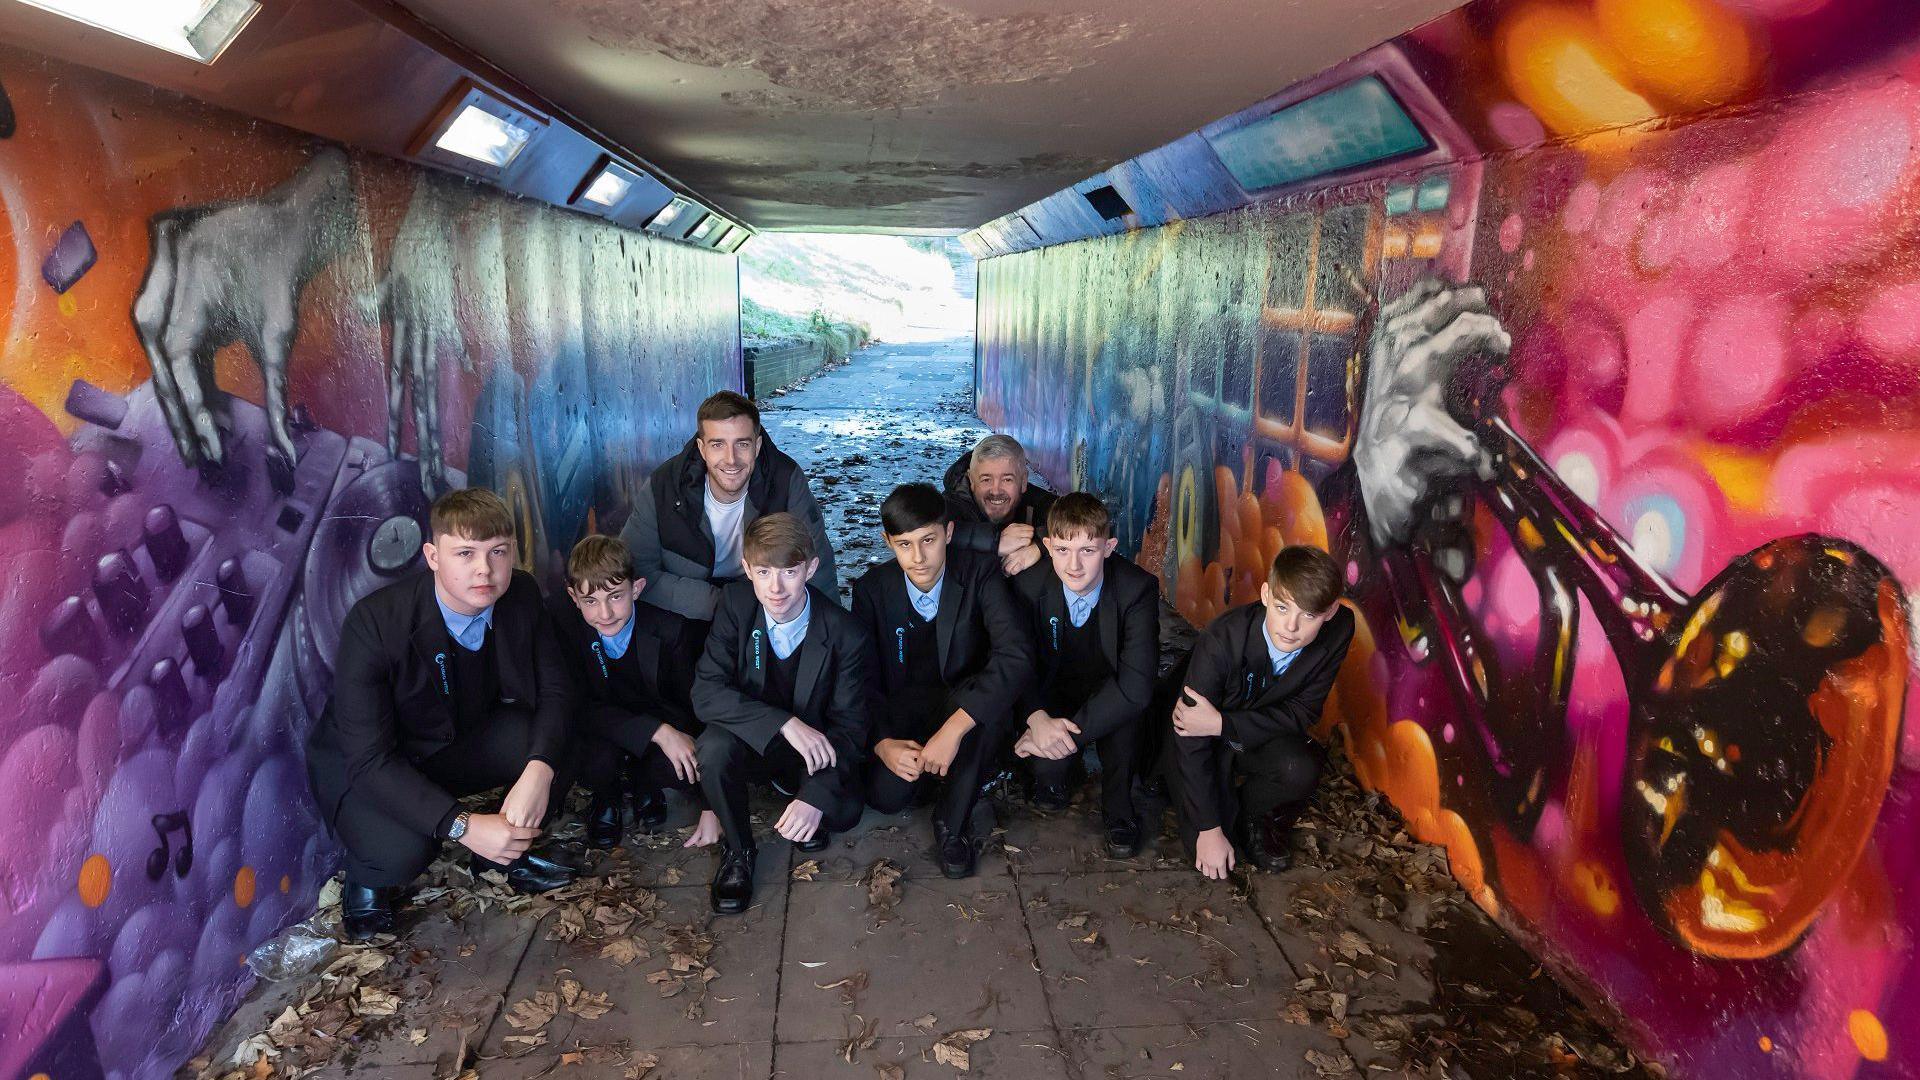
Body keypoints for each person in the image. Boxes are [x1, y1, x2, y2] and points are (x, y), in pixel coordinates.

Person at [306, 488, 577, 941]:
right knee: (404, 853)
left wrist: (539, 770)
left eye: (498, 552)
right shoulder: (374, 623)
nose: (484, 570)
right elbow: (369, 761)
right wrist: (463, 825)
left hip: (452, 740)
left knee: (555, 744)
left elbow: (557, 690)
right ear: (433, 556)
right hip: (373, 765)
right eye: (465, 553)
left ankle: (500, 854)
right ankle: (366, 878)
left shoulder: (521, 594)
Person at [691, 513, 871, 914]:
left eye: (789, 571)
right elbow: (706, 693)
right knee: (713, 748)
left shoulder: (845, 632)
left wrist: (814, 797)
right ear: (747, 569)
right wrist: (783, 723)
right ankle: (738, 852)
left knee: (843, 811)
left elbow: (851, 728)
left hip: (813, 753)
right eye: (763, 572)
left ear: (811, 568)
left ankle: (798, 799)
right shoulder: (737, 605)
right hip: (753, 743)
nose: (775, 588)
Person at [850, 484, 1033, 878]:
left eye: (929, 540)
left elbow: (1015, 656)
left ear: (949, 532)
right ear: (887, 542)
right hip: (906, 716)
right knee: (887, 796)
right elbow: (862, 679)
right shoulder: (871, 590)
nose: (918, 558)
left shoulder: (980, 573)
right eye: (904, 544)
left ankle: (952, 823)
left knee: (988, 710)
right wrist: (882, 744)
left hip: (965, 708)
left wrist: (953, 731)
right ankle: (964, 775)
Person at [1171, 546, 1355, 879]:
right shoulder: (1222, 639)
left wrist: (1224, 724)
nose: (1291, 626)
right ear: (1266, 594)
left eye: (1309, 615)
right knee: (1210, 851)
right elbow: (1188, 736)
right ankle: (1210, 808)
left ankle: (1252, 814)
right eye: (1283, 608)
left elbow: (1303, 710)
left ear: (1329, 612)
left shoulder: (1340, 627)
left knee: (1300, 768)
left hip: (1249, 731)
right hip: (1197, 741)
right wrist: (1209, 828)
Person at [1010, 493, 1161, 858]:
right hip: (1054, 692)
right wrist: (1036, 719)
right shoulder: (1028, 586)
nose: (1074, 565)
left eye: (1088, 551)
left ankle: (1119, 807)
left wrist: (1066, 737)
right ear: (1047, 547)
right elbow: (1015, 663)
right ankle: (1065, 773)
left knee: (1126, 724)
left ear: (1108, 547)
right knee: (1047, 768)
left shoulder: (1136, 589)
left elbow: (1136, 687)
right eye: (1062, 550)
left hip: (1111, 693)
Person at [549, 534, 722, 851]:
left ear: (637, 589)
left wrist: (713, 806)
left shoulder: (672, 633)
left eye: (615, 596)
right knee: (593, 757)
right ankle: (608, 795)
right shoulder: (566, 630)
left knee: (681, 763)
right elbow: (579, 707)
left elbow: (699, 711)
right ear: (574, 598)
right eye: (590, 601)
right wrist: (656, 731)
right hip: (604, 731)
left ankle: (646, 783)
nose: (604, 613)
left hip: (658, 723)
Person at [622, 390, 837, 633]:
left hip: (762, 602)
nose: (731, 459)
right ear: (702, 449)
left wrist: (828, 637)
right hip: (688, 605)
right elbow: (636, 570)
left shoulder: (786, 479)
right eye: (718, 445)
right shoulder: (663, 486)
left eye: (742, 444)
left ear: (756, 446)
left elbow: (817, 567)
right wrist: (717, 603)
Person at [943, 433, 1055, 577]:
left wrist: (1040, 547)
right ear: (971, 480)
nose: (996, 490)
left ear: (1023, 481)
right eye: (986, 480)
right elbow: (924, 529)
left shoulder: (1034, 501)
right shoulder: (953, 503)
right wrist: (995, 541)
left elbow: (1081, 518)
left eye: (1007, 480)